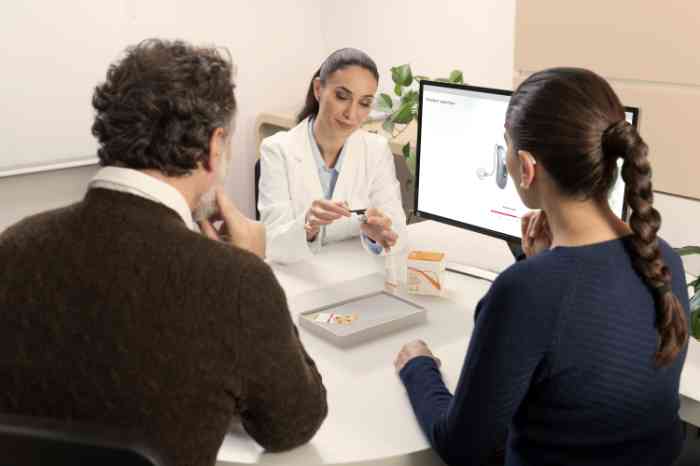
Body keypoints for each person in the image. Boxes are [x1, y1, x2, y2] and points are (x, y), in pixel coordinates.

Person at [0, 39, 327, 466]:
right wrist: (250, 266)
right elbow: (293, 423)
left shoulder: (12, 246)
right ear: (215, 147)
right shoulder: (236, 282)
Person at [394, 68, 690, 466]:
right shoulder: (664, 258)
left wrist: (417, 365)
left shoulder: (525, 291)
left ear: (526, 167)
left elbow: (462, 447)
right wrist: (540, 264)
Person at [258, 48, 406, 264]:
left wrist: (378, 234)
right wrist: (308, 226)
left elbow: (398, 233)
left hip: (355, 276)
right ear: (318, 89)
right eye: (342, 96)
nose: (351, 114)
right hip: (300, 278)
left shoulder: (376, 150)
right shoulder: (277, 149)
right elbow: (272, 245)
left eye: (364, 103)